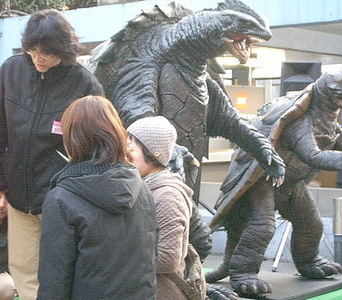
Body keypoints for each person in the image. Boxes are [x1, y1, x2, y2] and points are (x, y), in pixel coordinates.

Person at [0, 9, 104, 299]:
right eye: (33, 51)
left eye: (46, 52)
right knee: (22, 270)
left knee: (61, 272)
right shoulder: (11, 70)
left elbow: (96, 150)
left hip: (61, 201)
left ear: (64, 49)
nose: (38, 58)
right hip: (19, 198)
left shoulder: (85, 84)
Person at [37, 95, 158, 299]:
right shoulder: (141, 187)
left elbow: (54, 281)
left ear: (72, 139)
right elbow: (149, 262)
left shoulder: (62, 199)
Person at [127, 116, 196, 300]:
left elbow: (167, 259)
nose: (125, 155)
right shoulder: (142, 186)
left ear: (152, 153)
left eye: (131, 149)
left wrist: (117, 256)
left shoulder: (168, 195)